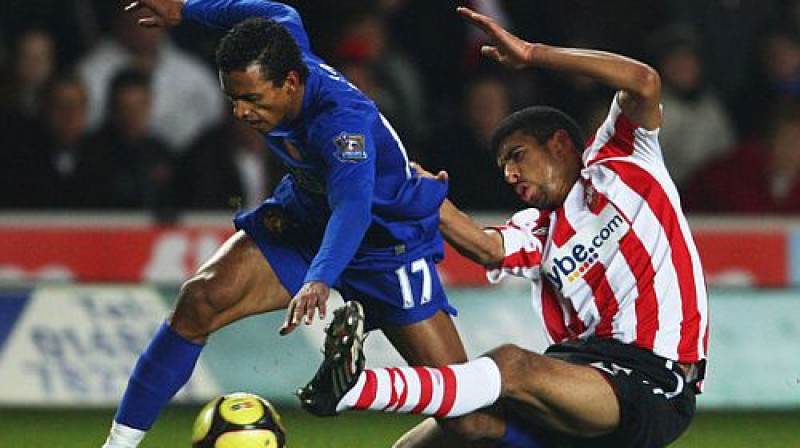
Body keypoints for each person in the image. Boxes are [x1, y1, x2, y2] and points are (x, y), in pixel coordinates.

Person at [300, 7, 709, 448]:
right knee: (446, 432)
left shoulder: (624, 160)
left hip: (653, 377)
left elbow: (643, 80)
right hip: (576, 370)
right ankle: (351, 389)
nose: (509, 175)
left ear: (559, 143)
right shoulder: (537, 228)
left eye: (517, 156)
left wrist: (534, 54)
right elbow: (487, 248)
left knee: (511, 365)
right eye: (502, 166)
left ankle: (354, 388)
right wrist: (408, 184)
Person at [99, 1, 477, 447]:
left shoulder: (340, 124)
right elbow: (276, 8)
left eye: (252, 99)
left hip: (384, 245)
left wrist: (319, 278)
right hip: (306, 220)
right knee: (200, 300)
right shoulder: (283, 41)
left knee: (466, 416)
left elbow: (353, 209)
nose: (240, 112)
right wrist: (184, 10)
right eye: (232, 98)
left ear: (291, 83)